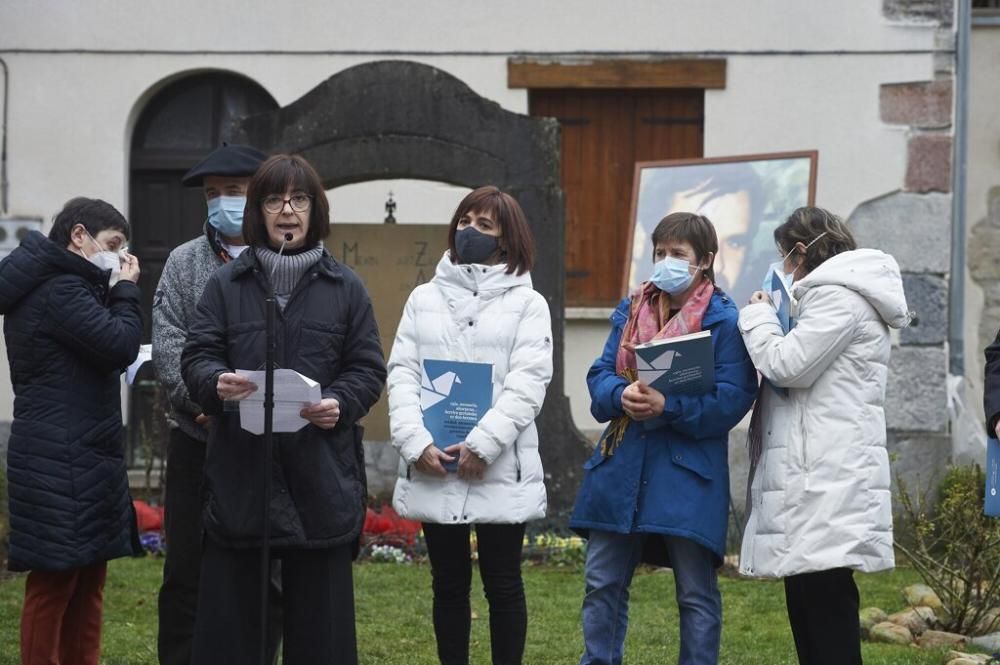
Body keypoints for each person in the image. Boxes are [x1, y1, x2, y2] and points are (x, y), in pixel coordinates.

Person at [180, 154, 386, 664]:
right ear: (259, 211)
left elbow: (367, 369)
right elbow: (198, 354)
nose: (287, 210)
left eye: (299, 199)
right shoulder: (227, 286)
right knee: (230, 634)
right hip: (242, 477)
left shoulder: (347, 288)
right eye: (274, 199)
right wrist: (214, 381)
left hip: (320, 476)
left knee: (322, 636)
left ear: (316, 211)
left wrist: (340, 402)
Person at [570, 212, 758, 665]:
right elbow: (599, 375)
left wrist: (668, 406)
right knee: (602, 582)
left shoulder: (725, 322)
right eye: (659, 253)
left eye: (678, 254)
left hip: (687, 475)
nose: (665, 262)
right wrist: (621, 394)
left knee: (695, 591)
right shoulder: (631, 309)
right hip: (622, 465)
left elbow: (734, 397)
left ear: (705, 261)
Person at [388, 186, 553, 665]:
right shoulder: (423, 298)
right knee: (448, 585)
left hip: (500, 465)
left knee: (503, 585)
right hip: (434, 460)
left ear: (507, 238)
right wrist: (415, 442)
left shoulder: (529, 304)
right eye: (466, 221)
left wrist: (483, 445)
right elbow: (400, 373)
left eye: (485, 225)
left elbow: (529, 382)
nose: (470, 232)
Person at [738, 207, 909, 665]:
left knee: (826, 603)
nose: (783, 266)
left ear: (801, 250)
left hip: (826, 474)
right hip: (819, 471)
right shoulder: (832, 296)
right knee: (809, 599)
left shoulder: (839, 298)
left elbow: (788, 366)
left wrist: (757, 317)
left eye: (785, 255)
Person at [151, 143, 284, 665]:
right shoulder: (184, 262)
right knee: (186, 569)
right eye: (212, 194)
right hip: (198, 438)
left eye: (233, 191)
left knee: (265, 570)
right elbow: (168, 342)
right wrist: (201, 400)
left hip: (267, 442)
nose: (221, 203)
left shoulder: (286, 258)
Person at [0, 198, 143, 665]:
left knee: (87, 583)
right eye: (113, 246)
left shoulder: (66, 285)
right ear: (78, 236)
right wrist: (125, 291)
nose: (119, 260)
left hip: (80, 453)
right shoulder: (60, 290)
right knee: (55, 583)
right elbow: (120, 344)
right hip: (57, 458)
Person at [629, 162, 769, 307]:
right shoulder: (628, 317)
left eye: (734, 243)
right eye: (694, 241)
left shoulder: (738, 321)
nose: (717, 266)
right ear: (640, 239)